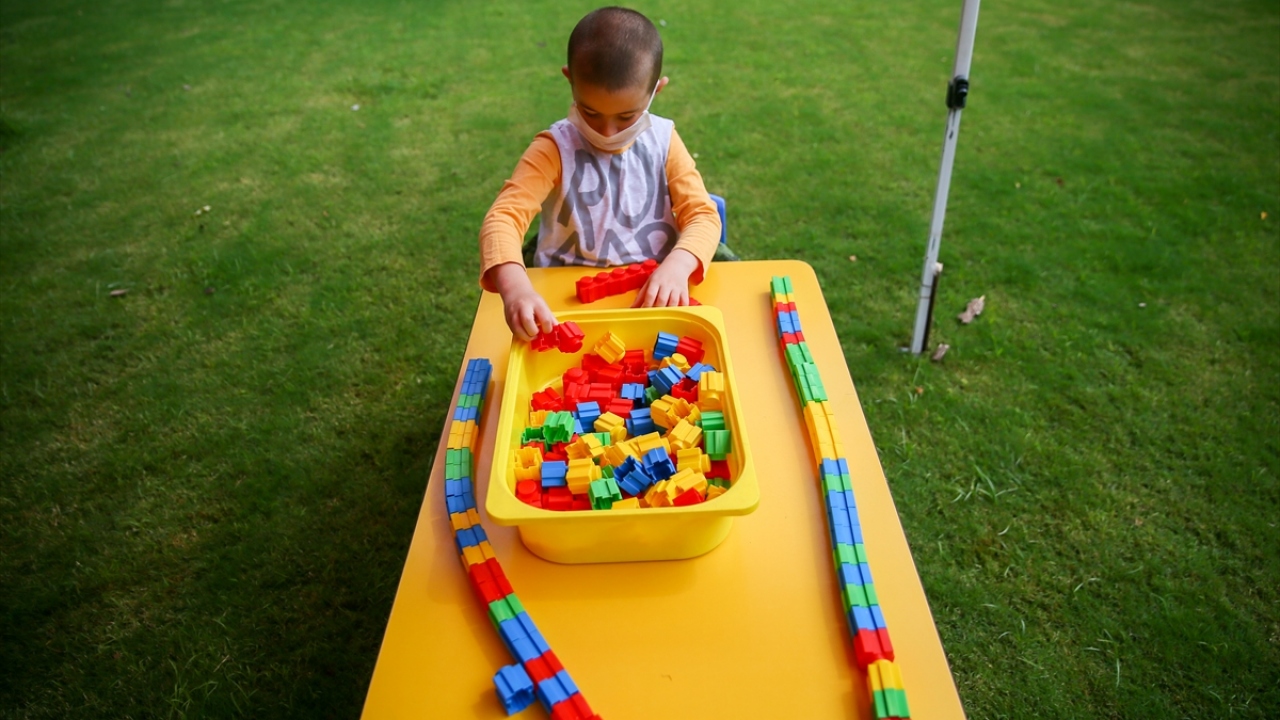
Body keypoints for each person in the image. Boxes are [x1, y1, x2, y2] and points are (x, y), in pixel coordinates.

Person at [478, 6, 722, 341]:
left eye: (626, 117)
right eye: (590, 111)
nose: (607, 132)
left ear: (656, 92)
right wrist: (517, 288)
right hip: (564, 303)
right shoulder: (554, 148)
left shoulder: (664, 142)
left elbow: (703, 215)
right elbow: (503, 218)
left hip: (652, 295)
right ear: (570, 81)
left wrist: (679, 266)